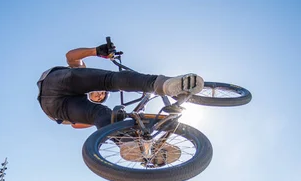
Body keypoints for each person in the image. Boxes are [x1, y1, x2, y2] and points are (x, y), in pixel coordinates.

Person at [37, 40, 204, 130]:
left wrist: (116, 121)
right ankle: (165, 84)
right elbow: (70, 56)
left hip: (54, 110)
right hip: (54, 81)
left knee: (103, 115)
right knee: (112, 81)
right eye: (101, 93)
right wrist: (96, 51)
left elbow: (77, 125)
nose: (99, 95)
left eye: (100, 97)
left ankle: (127, 145)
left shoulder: (81, 107)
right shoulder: (80, 71)